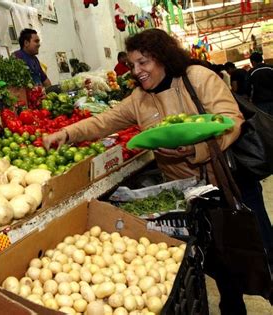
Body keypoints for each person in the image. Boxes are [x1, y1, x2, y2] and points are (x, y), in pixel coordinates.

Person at [43, 29, 271, 315]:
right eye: (133, 64)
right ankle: (233, 308)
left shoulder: (197, 79)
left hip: (230, 183)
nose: (136, 71)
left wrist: (195, 149)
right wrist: (65, 134)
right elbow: (103, 122)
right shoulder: (140, 99)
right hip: (192, 195)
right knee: (220, 261)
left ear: (163, 57)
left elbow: (231, 120)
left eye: (144, 62)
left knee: (260, 252)